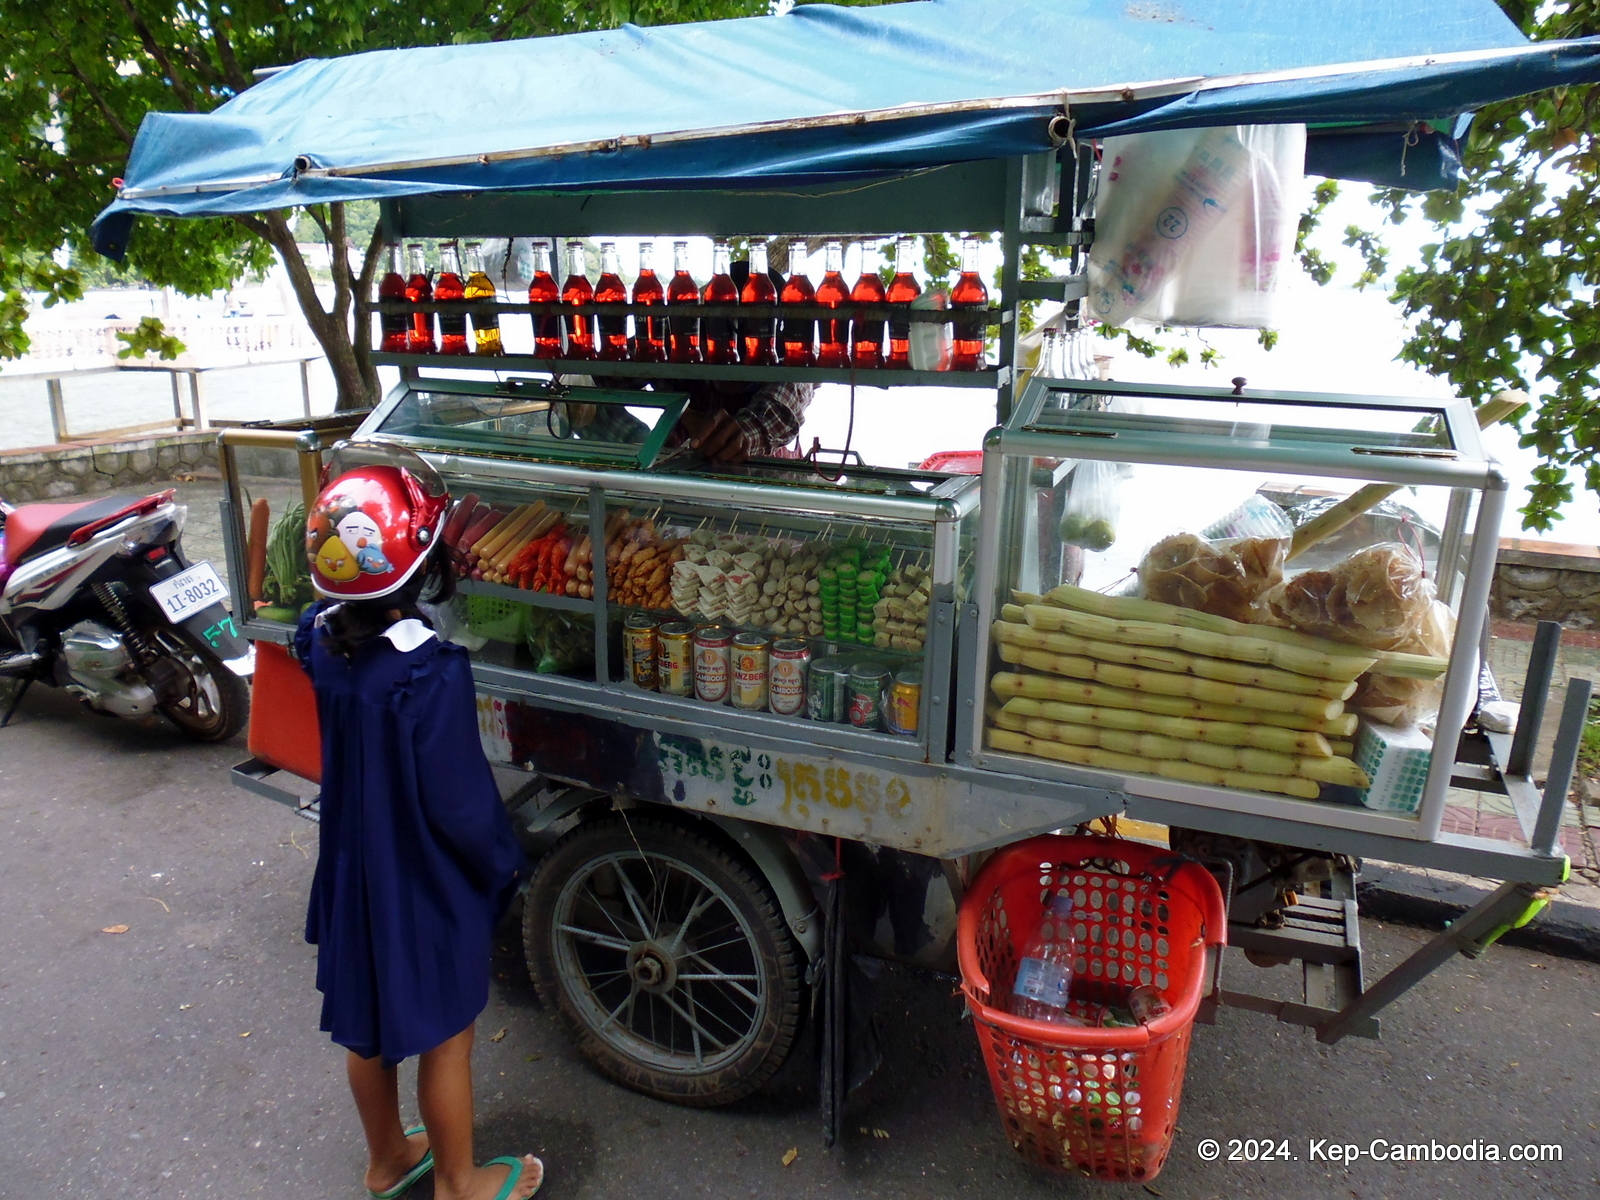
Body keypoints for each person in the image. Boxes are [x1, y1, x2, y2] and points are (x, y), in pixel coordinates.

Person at [295, 454, 542, 1200]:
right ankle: (460, 1182)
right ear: (422, 567)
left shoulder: (320, 641)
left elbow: (328, 633)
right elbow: (460, 802)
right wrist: (501, 866)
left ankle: (388, 1159)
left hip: (352, 868)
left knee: (366, 1023)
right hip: (421, 878)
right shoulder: (428, 672)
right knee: (445, 1034)